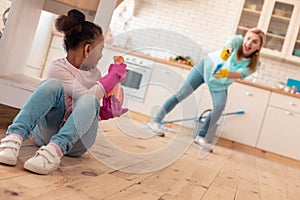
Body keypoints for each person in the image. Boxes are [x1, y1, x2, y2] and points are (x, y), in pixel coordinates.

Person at [0, 9, 127, 175]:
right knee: (51, 85)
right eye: (101, 49)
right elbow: (85, 95)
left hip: (77, 144)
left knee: (90, 101)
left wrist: (103, 113)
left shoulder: (96, 74)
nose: (102, 55)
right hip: (45, 134)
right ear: (88, 50)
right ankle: (13, 138)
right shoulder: (58, 68)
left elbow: (87, 108)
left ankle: (54, 152)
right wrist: (112, 78)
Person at [148, 28, 266, 151]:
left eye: (255, 42)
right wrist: (227, 51)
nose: (249, 43)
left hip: (220, 80)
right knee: (182, 94)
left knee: (219, 106)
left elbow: (241, 74)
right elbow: (230, 45)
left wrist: (225, 73)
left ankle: (201, 136)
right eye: (248, 38)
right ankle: (155, 122)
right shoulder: (237, 40)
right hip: (206, 67)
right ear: (244, 38)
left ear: (258, 47)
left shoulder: (255, 63)